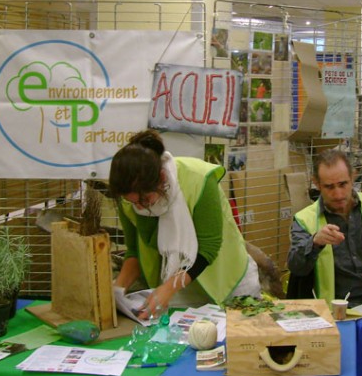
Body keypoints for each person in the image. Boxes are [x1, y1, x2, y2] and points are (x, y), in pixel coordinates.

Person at [109, 130, 260, 319]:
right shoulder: (129, 200)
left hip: (224, 279)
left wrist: (169, 288)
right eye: (132, 201)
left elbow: (209, 248)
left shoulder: (199, 179)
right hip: (179, 286)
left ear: (161, 179)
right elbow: (134, 252)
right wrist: (118, 290)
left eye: (145, 200)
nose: (138, 207)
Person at [287, 149, 362, 308]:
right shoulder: (304, 220)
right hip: (338, 310)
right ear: (317, 184)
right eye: (329, 187)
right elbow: (296, 268)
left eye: (343, 184)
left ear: (352, 177)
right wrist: (314, 243)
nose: (338, 194)